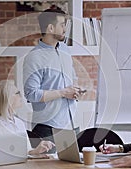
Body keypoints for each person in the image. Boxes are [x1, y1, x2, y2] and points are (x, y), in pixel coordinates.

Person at [22, 8, 84, 142]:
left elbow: (72, 78)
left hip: (71, 124)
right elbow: (31, 94)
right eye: (62, 25)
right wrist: (63, 93)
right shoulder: (34, 57)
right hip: (47, 128)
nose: (65, 29)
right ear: (50, 28)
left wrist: (76, 90)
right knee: (47, 164)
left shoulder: (65, 50)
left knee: (74, 163)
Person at [0, 81, 55, 155]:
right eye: (17, 93)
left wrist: (36, 152)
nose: (21, 96)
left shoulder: (19, 123)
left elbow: (27, 151)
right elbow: (5, 154)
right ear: (7, 98)